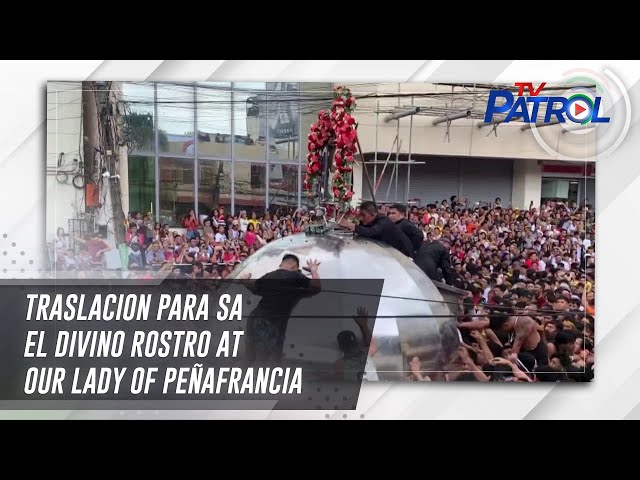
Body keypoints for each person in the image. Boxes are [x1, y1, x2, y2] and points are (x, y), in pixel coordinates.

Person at [242, 254, 321, 365]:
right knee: (263, 359)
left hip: (255, 317)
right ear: (294, 267)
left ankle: (243, 377)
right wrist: (313, 270)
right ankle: (259, 380)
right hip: (270, 321)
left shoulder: (269, 276)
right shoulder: (295, 276)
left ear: (281, 265)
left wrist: (245, 280)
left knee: (250, 354)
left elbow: (255, 288)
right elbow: (316, 287)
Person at [338, 201, 413, 257]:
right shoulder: (369, 220)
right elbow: (362, 231)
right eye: (360, 214)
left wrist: (350, 225)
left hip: (402, 252)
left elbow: (370, 232)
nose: (361, 217)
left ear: (373, 214)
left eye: (363, 215)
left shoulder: (383, 221)